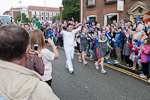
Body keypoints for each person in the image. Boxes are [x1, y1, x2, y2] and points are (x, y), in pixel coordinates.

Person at [0, 24, 59, 100]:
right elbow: (41, 70)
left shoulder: (32, 52)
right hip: (45, 77)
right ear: (26, 52)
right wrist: (53, 45)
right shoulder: (39, 89)